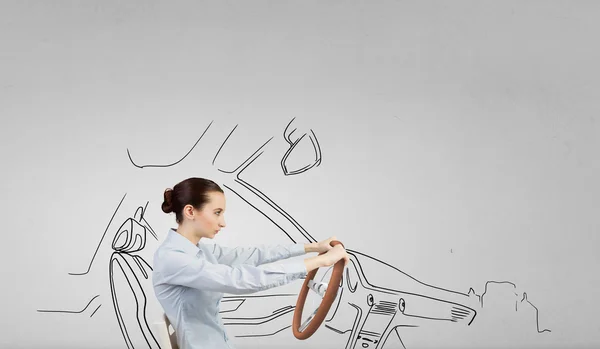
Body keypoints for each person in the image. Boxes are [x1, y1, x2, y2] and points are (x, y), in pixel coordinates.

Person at [152, 177, 349, 349]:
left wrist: (312, 248)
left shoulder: (199, 251)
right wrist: (319, 262)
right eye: (217, 212)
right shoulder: (173, 259)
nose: (223, 222)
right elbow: (239, 280)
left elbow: (252, 255)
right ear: (190, 211)